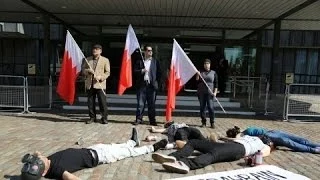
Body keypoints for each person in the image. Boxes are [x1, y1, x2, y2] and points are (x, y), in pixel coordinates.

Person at [20, 128, 168, 180]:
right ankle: (153, 148)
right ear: (44, 171)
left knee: (116, 146)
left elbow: (38, 154)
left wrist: (34, 157)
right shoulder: (57, 169)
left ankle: (132, 141)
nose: (41, 157)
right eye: (40, 160)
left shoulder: (47, 163)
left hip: (92, 149)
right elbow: (70, 177)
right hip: (101, 157)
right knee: (128, 153)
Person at [152, 135, 270, 174]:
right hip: (228, 144)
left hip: (239, 149)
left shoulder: (263, 145)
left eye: (262, 137)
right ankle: (174, 156)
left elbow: (265, 152)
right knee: (194, 142)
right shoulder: (249, 136)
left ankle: (185, 164)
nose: (260, 136)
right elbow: (236, 137)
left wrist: (254, 158)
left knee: (214, 154)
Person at [226, 126, 320, 154]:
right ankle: (313, 149)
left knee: (297, 139)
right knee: (291, 143)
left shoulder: (244, 130)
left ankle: (314, 145)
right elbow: (237, 138)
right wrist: (225, 138)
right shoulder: (242, 135)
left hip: (273, 132)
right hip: (269, 136)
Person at [82, 44, 110, 124]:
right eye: (94, 49)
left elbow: (107, 72)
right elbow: (83, 70)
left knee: (102, 102)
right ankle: (92, 117)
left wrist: (100, 77)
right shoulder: (88, 59)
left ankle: (104, 118)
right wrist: (87, 71)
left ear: (100, 51)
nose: (95, 50)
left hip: (100, 84)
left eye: (97, 49)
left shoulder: (105, 60)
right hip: (90, 84)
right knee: (90, 102)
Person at [133, 45, 161, 126]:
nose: (150, 52)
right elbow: (135, 72)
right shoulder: (139, 61)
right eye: (148, 50)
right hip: (142, 85)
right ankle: (139, 119)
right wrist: (142, 70)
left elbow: (159, 73)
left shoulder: (155, 61)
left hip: (151, 86)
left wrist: (156, 83)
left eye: (151, 50)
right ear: (144, 51)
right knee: (140, 104)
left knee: (151, 104)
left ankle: (152, 120)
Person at [196, 59, 218, 128]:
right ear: (204, 65)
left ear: (210, 65)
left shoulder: (214, 73)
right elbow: (197, 80)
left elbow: (216, 83)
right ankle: (203, 122)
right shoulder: (200, 72)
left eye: (208, 63)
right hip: (201, 93)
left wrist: (215, 92)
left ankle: (212, 122)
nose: (206, 65)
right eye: (205, 63)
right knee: (202, 107)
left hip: (210, 93)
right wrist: (197, 75)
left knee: (211, 107)